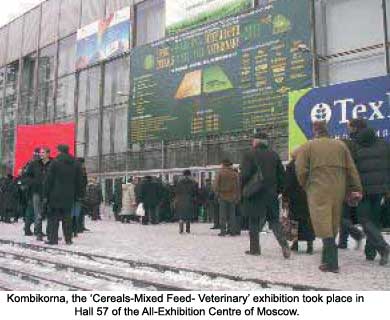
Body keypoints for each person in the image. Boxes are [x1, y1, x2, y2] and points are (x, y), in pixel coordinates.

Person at [295, 121, 362, 273]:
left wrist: (306, 185)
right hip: (338, 186)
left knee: (322, 222)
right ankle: (327, 259)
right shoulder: (340, 146)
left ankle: (332, 263)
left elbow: (301, 170)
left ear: (315, 130)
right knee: (333, 221)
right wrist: (355, 188)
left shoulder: (308, 147)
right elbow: (351, 169)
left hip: (317, 187)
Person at [345, 119, 390, 265]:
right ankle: (370, 253)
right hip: (380, 189)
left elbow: (351, 169)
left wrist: (350, 188)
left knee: (364, 220)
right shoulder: (383, 143)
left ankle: (383, 248)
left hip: (361, 189)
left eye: (349, 128)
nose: (348, 130)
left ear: (355, 128)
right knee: (374, 220)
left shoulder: (353, 145)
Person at [241, 132, 290, 258]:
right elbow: (282, 177)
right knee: (274, 221)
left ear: (255, 142)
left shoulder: (249, 155)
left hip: (254, 194)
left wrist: (243, 189)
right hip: (271, 194)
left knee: (254, 221)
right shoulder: (274, 155)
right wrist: (277, 191)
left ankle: (255, 249)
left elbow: (244, 175)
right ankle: (284, 245)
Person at [43, 145, 80, 245]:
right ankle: (68, 239)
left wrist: (45, 194)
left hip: (55, 194)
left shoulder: (55, 162)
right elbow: (79, 181)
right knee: (67, 217)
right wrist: (77, 195)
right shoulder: (75, 163)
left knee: (53, 217)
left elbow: (48, 180)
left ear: (59, 151)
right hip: (69, 195)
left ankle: (53, 239)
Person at [282, 149, 315, 254]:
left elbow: (288, 183)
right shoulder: (309, 165)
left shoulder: (291, 166)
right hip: (308, 196)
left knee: (294, 221)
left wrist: (285, 196)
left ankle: (295, 244)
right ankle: (310, 245)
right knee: (308, 220)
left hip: (295, 197)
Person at [23, 147, 52, 241]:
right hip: (37, 192)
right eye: (40, 153)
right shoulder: (34, 164)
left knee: (50, 213)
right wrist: (33, 182)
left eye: (43, 152)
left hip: (50, 192)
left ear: (48, 153)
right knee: (37, 213)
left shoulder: (53, 163)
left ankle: (50, 232)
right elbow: (26, 176)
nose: (41, 154)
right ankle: (38, 232)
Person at [213, 159, 240, 236]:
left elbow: (215, 185)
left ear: (224, 164)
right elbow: (238, 186)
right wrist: (238, 196)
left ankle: (223, 231)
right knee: (232, 215)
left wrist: (217, 194)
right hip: (232, 197)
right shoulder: (235, 174)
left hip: (222, 196)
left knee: (222, 215)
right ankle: (232, 230)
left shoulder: (220, 173)